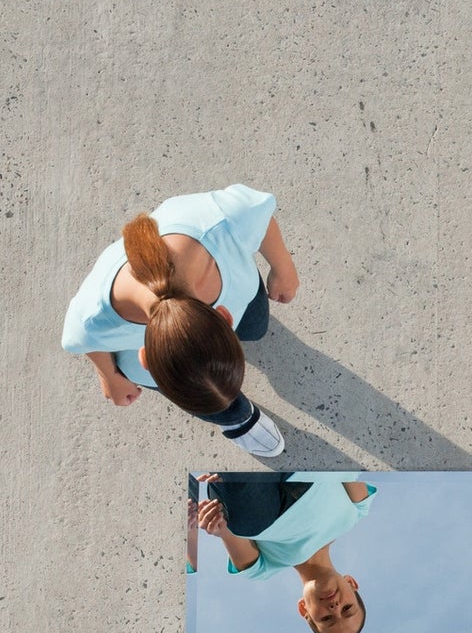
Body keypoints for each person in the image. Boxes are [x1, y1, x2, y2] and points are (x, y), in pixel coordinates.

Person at [62, 183, 299, 457]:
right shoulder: (92, 315)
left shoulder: (224, 220)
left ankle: (225, 405)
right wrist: (110, 376)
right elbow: (80, 340)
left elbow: (258, 215)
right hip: (239, 293)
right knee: (208, 393)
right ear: (224, 314)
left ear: (145, 359)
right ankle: (236, 418)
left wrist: (284, 268)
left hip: (244, 300)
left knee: (255, 328)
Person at [193, 471, 376, 633]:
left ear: (304, 608)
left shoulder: (263, 568)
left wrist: (215, 523)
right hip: (304, 466)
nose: (335, 608)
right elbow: (345, 470)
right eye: (347, 608)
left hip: (258, 503)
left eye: (327, 618)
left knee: (245, 524)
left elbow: (227, 529)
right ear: (351, 583)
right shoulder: (356, 512)